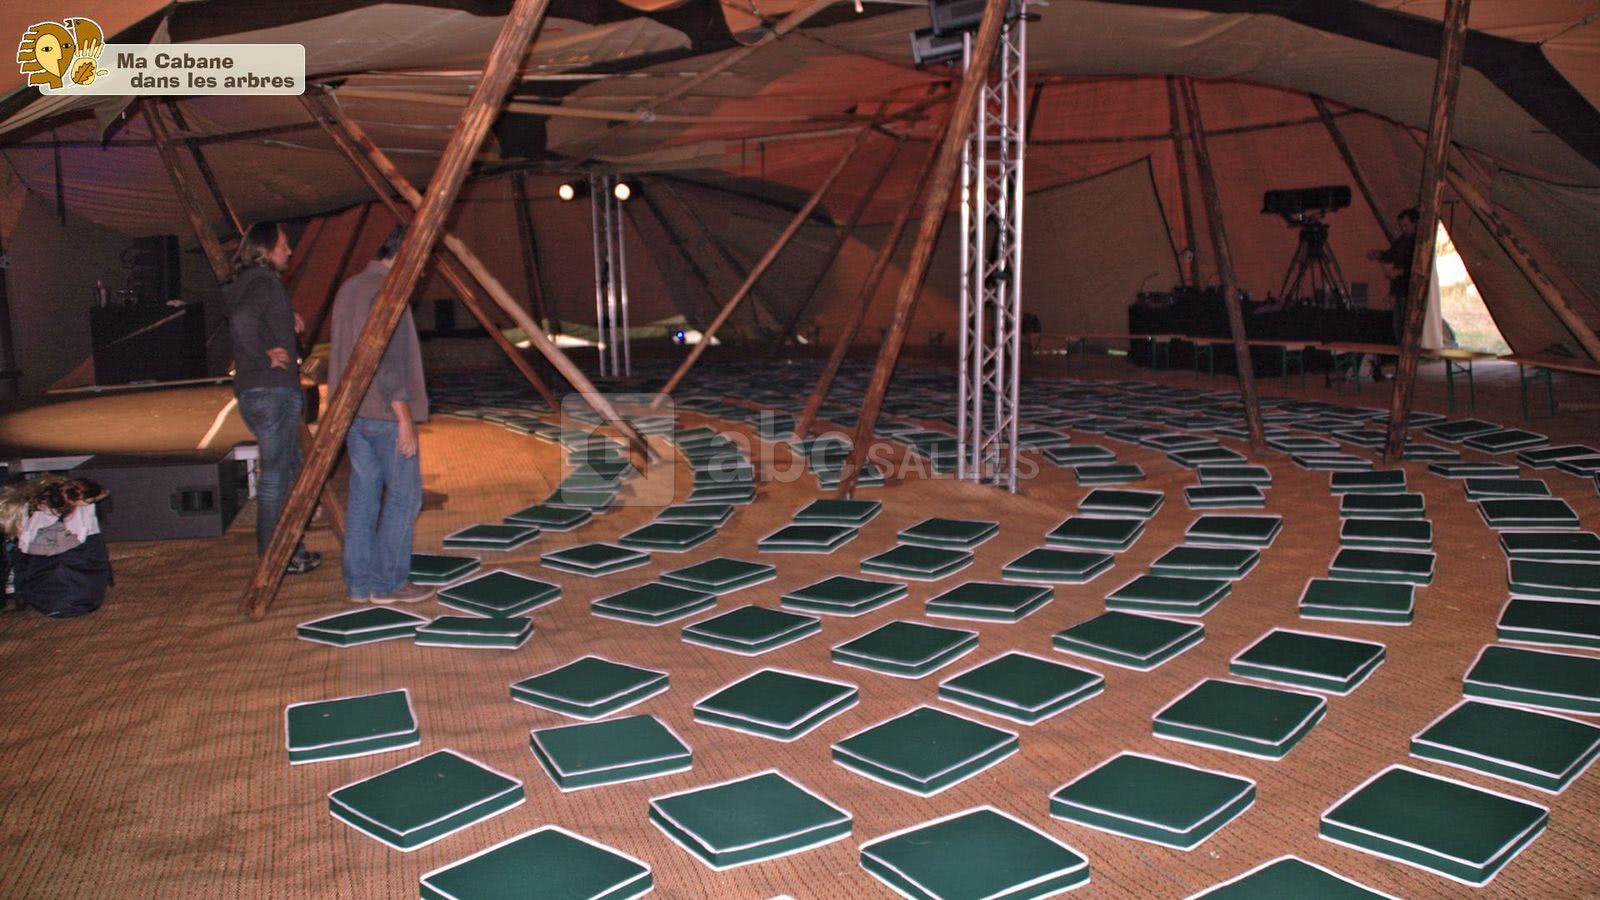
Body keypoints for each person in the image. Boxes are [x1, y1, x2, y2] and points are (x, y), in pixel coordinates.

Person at [328, 227, 431, 604]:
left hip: (353, 413)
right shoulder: (387, 292)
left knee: (364, 497)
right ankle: (387, 581)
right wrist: (403, 414)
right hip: (384, 413)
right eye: (419, 261)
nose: (421, 272)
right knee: (405, 497)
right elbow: (384, 359)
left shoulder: (349, 287)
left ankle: (359, 582)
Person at [224, 222, 321, 575]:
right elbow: (242, 320)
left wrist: (285, 319)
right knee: (276, 478)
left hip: (260, 391)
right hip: (271, 390)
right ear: (264, 248)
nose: (289, 251)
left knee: (289, 470)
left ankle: (288, 550)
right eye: (283, 244)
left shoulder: (248, 282)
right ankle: (273, 559)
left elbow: (252, 316)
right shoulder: (264, 281)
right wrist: (265, 356)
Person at [1365, 207, 1420, 382]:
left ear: (1415, 224)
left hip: (1409, 292)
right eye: (1401, 225)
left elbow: (1417, 267)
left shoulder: (1419, 244)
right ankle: (1400, 368)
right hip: (1398, 292)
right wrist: (1378, 254)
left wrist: (1402, 272)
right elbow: (1390, 254)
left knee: (1406, 331)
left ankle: (1407, 368)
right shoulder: (1401, 241)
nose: (1403, 228)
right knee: (1398, 332)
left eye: (1406, 225)